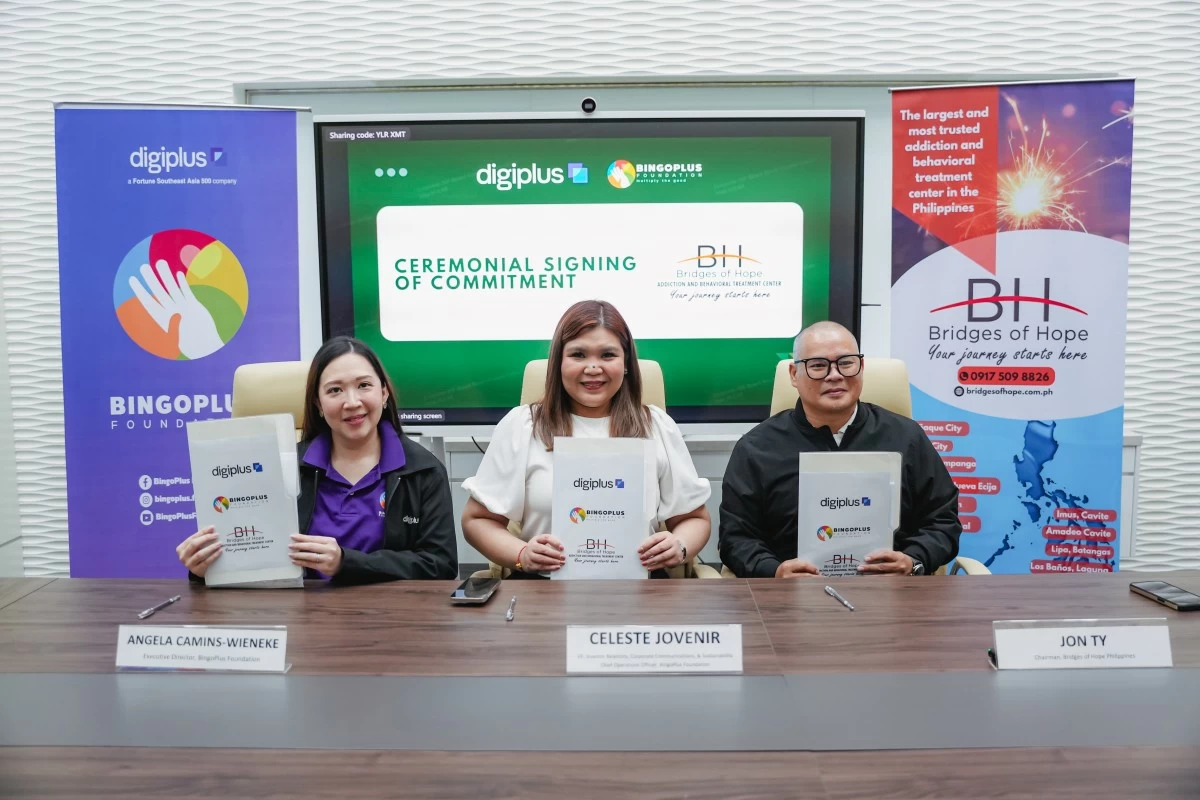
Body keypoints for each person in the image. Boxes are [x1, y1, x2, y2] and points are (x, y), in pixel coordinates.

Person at [176, 336, 458, 584]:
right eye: (335, 390)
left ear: (383, 393)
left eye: (364, 385)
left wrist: (345, 562)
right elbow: (248, 555)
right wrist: (203, 568)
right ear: (318, 405)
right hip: (299, 622)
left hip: (393, 623)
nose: (352, 402)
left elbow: (440, 565)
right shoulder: (281, 469)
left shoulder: (423, 470)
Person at [461, 300, 710, 578]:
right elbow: (477, 520)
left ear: (626, 363)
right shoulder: (523, 426)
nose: (593, 368)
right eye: (578, 354)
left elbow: (694, 519)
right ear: (559, 363)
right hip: (543, 591)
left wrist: (680, 545)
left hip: (640, 593)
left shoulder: (656, 426)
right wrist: (521, 555)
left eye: (607, 355)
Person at [719, 321, 960, 578]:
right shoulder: (756, 448)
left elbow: (943, 521)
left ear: (861, 367)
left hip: (893, 595)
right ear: (793, 374)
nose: (834, 375)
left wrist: (913, 561)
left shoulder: (907, 438)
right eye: (818, 365)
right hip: (789, 600)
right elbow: (736, 537)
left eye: (846, 362)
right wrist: (775, 571)